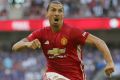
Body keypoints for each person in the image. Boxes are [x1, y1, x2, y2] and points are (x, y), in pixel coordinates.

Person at [12, 1, 115, 80]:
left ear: (63, 15)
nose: (56, 13)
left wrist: (110, 62)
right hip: (53, 75)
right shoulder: (41, 33)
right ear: (47, 13)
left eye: (60, 11)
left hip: (75, 77)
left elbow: (99, 42)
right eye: (53, 10)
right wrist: (28, 44)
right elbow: (15, 47)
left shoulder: (73, 32)